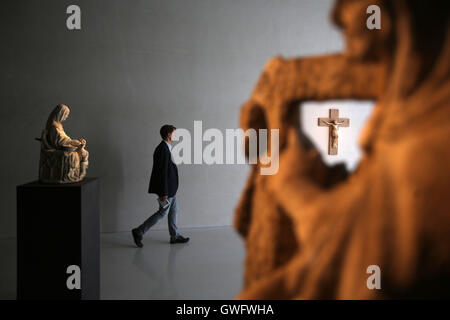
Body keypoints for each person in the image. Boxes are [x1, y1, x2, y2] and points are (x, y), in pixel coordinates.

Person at [132, 124, 190, 247]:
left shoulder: (167, 147)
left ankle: (174, 236)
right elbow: (161, 172)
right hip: (166, 189)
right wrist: (164, 192)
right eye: (174, 133)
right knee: (163, 213)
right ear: (168, 135)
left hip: (171, 189)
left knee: (174, 211)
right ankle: (139, 231)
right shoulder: (163, 149)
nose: (176, 135)